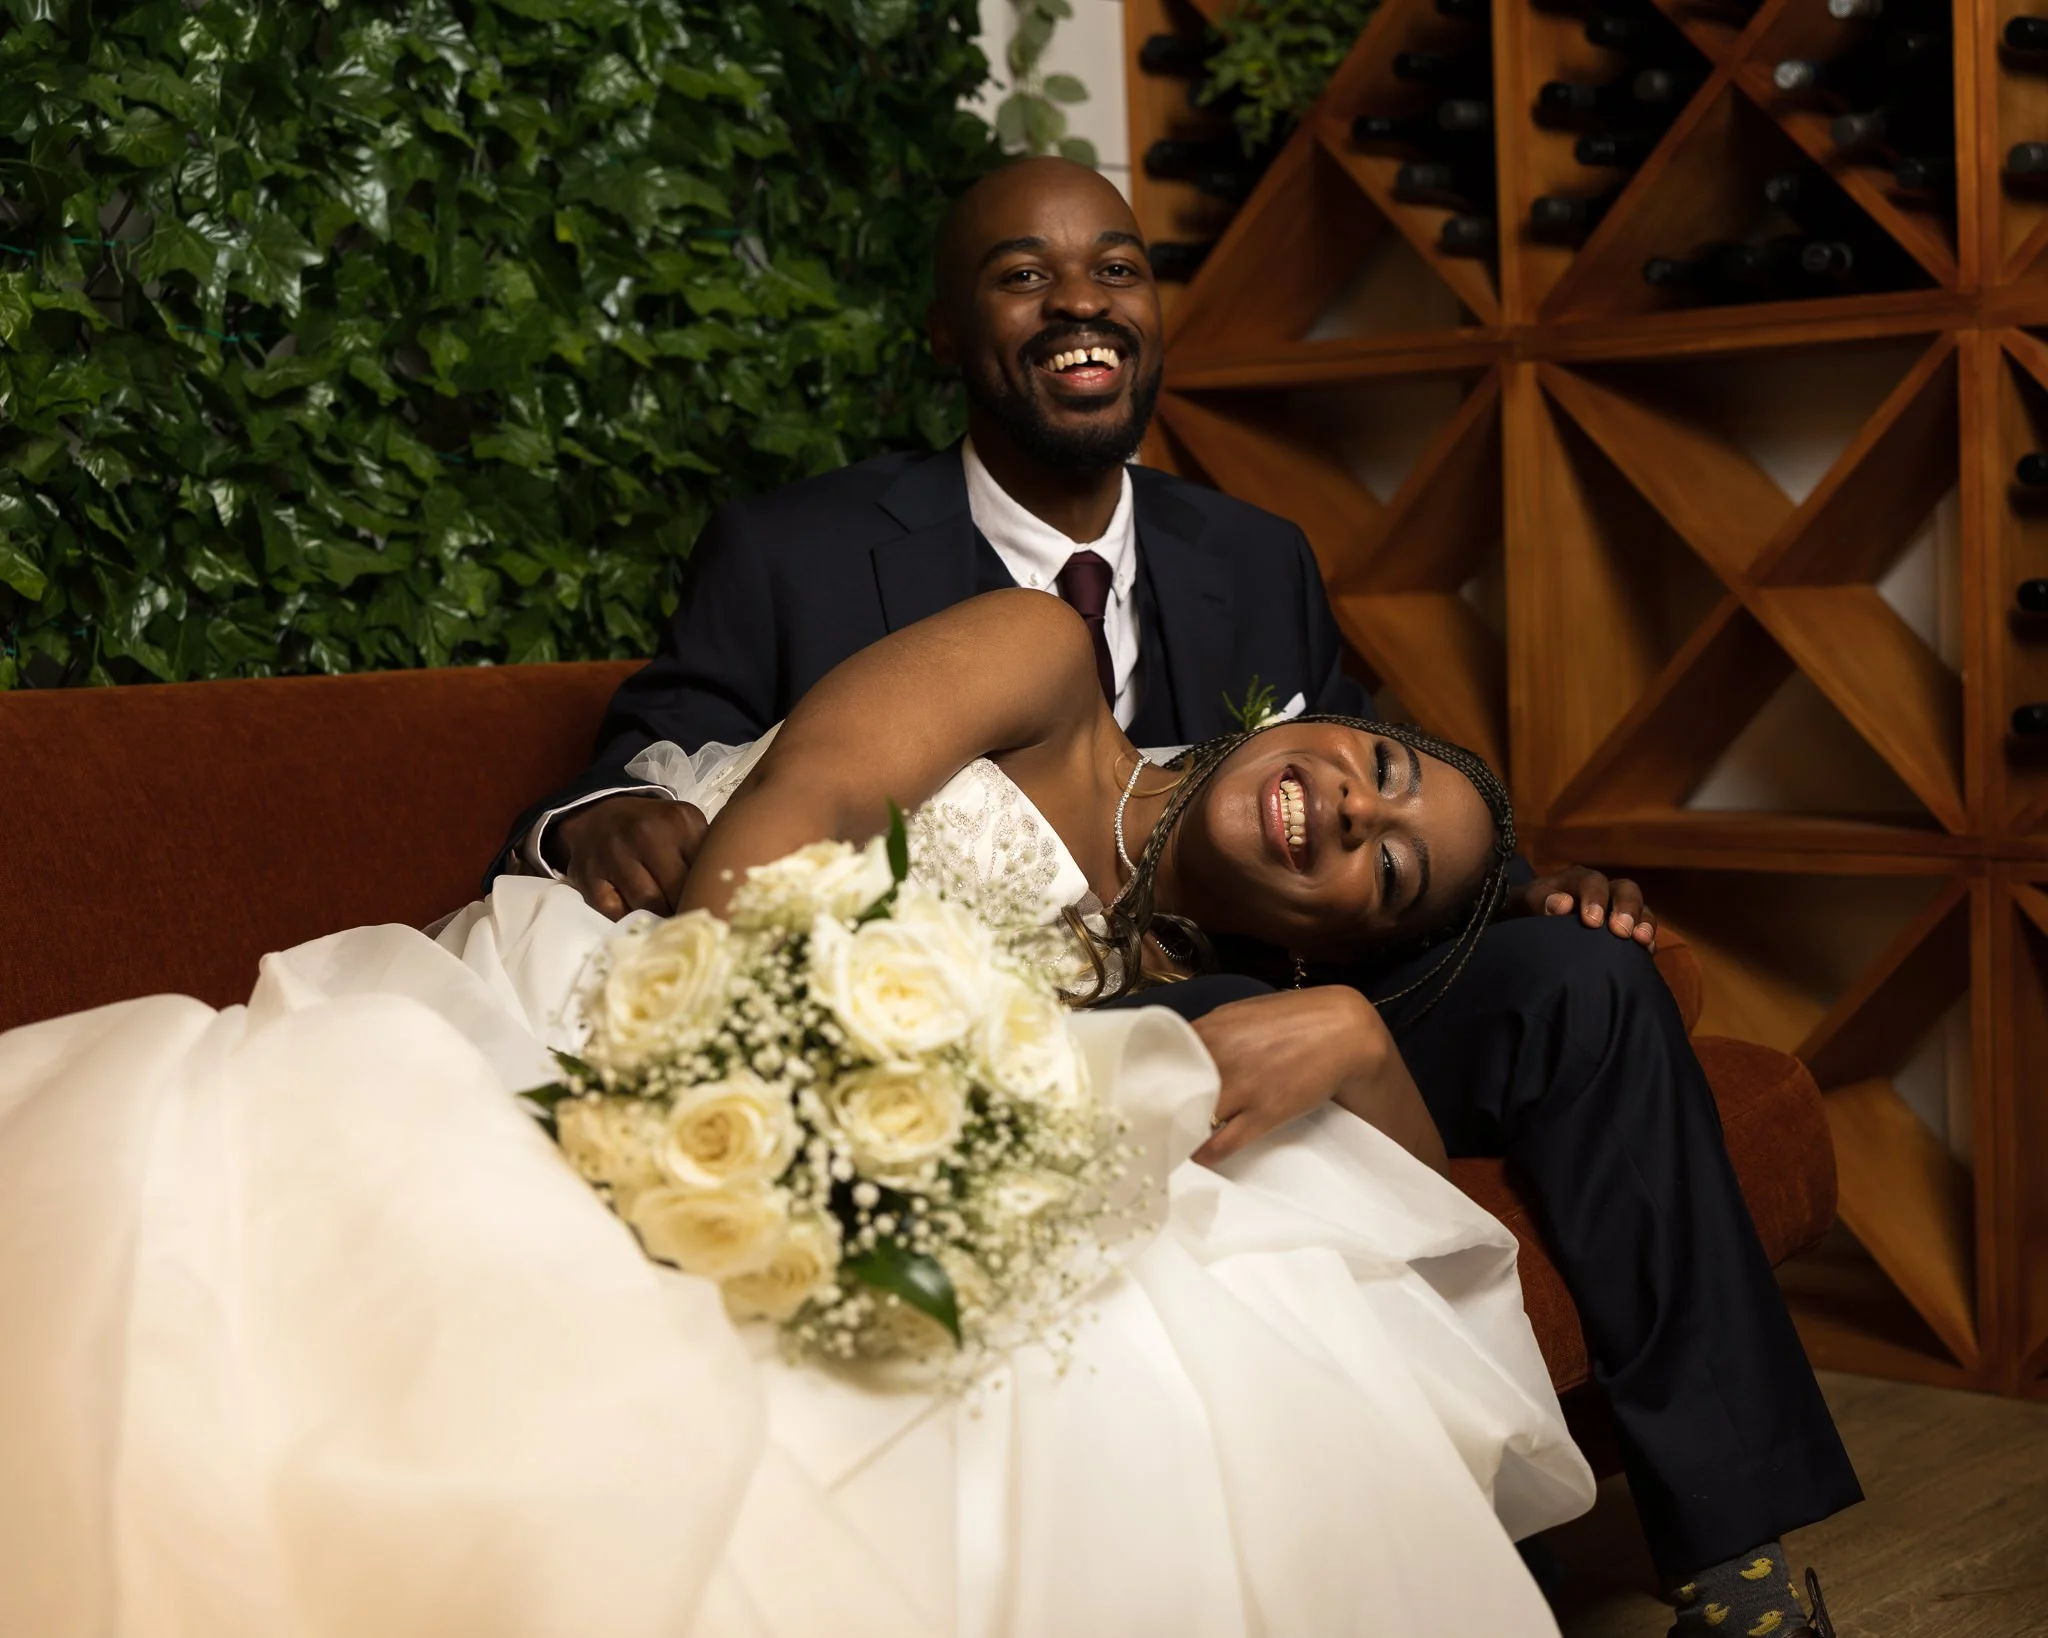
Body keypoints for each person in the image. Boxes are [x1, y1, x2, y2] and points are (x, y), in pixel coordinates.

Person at [504, 156, 1858, 1638]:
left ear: (1155, 308)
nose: (1079, 300)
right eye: (1023, 275)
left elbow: (1369, 780)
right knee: (1213, 1026)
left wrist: (1527, 894)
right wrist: (602, 817)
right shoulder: (811, 549)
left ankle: (1729, 1544)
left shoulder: (1255, 554)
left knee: (1589, 983)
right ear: (948, 331)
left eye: (1117, 268)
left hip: (1245, 936)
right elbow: (688, 757)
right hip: (1050, 982)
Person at [0, 589, 1596, 1637]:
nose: (1358, 808)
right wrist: (755, 1077)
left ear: (1333, 941)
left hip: (879, 1117)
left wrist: (1351, 1038)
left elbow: (1426, 1218)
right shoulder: (1048, 665)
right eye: (1382, 763)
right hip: (661, 979)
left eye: (1392, 867)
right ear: (1308, 717)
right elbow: (802, 802)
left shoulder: (1165, 981)